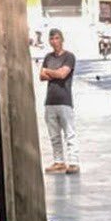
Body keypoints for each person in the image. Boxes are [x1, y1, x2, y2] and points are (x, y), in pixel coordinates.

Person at [40, 27, 79, 175]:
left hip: (64, 100)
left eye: (57, 38)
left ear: (62, 39)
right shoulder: (48, 57)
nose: (54, 41)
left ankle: (74, 162)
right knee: (54, 135)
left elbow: (63, 74)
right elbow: (41, 76)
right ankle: (59, 161)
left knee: (69, 133)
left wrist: (50, 72)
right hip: (50, 100)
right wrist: (54, 73)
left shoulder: (69, 56)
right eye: (52, 39)